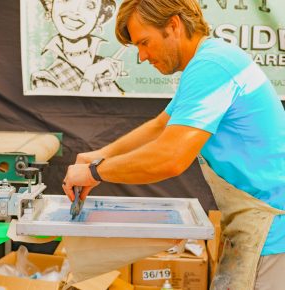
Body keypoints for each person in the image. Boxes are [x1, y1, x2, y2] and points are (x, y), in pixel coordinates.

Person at [61, 0, 285, 289]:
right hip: (254, 224)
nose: (142, 56)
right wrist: (98, 156)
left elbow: (170, 157)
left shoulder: (211, 66)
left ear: (174, 25)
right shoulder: (210, 58)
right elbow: (160, 126)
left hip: (272, 232)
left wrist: (95, 172)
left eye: (144, 42)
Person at [31, 0, 124, 93]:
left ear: (100, 18)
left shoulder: (106, 67)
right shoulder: (44, 79)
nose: (75, 11)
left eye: (89, 5)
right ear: (50, 6)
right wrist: (90, 74)